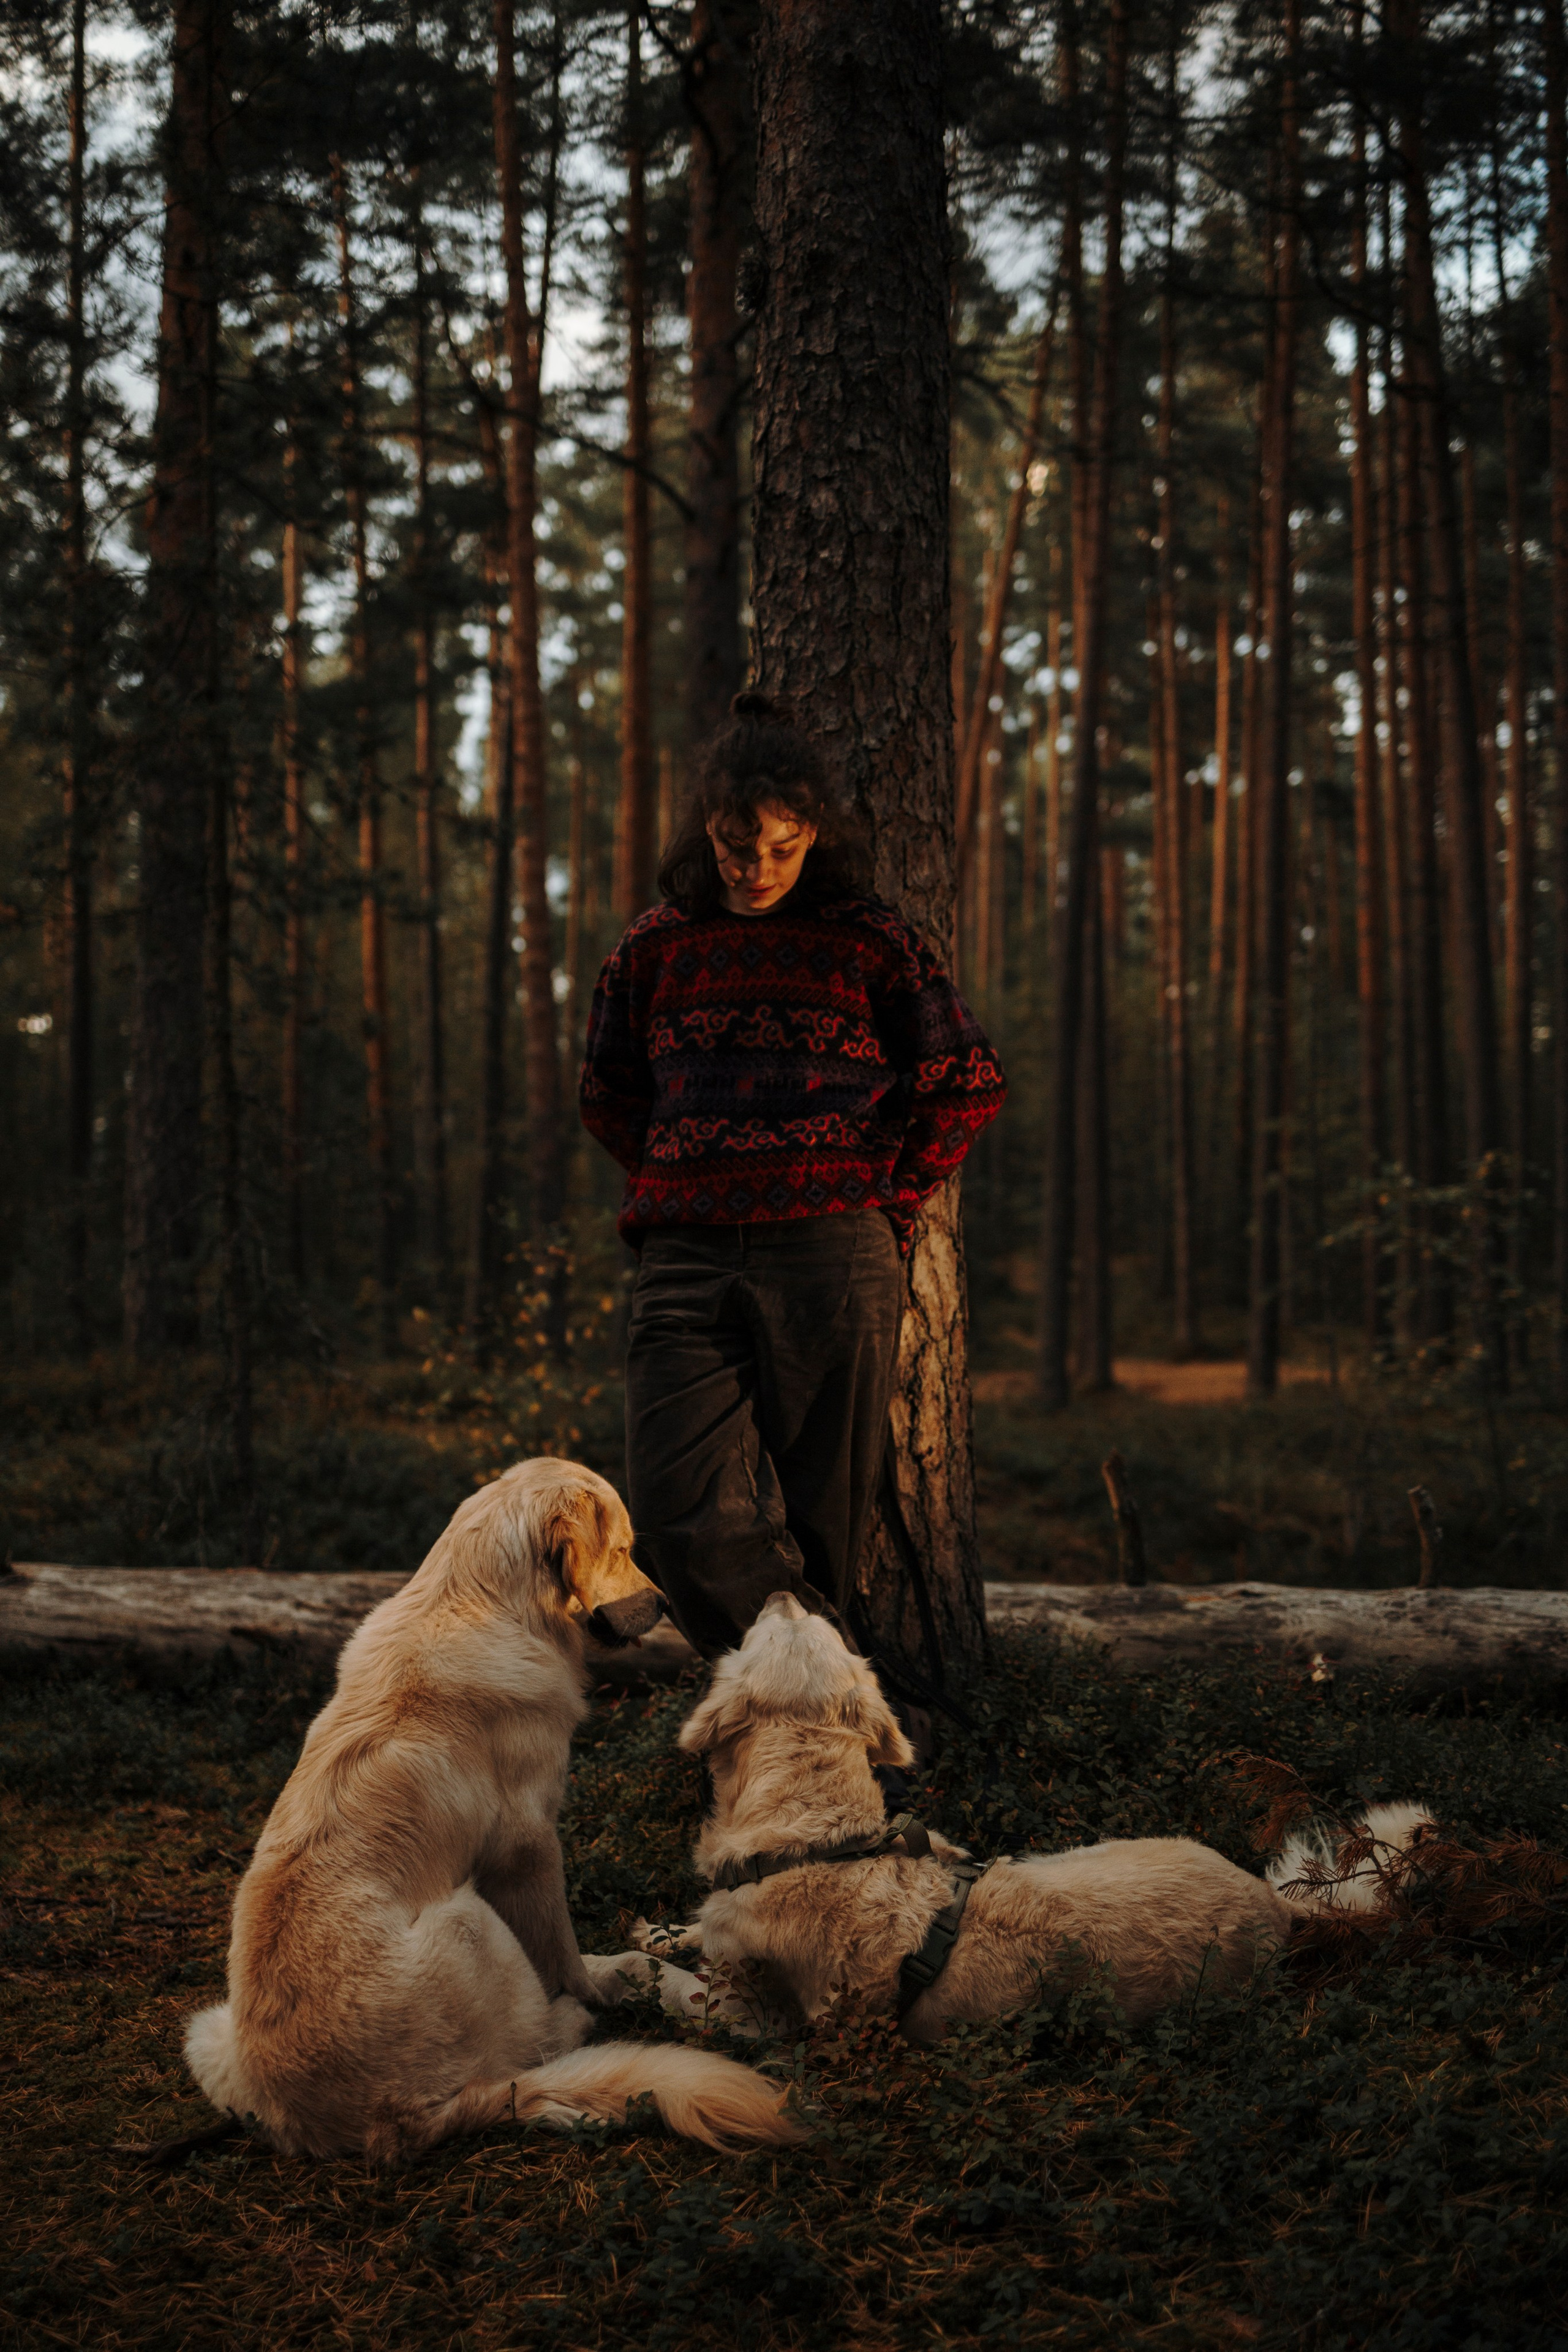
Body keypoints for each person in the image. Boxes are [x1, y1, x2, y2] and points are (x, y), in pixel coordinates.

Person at [579, 692, 1005, 1668]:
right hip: (685, 1260)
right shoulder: (653, 947)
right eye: (738, 846)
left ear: (813, 830)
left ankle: (806, 1750)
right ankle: (838, 1699)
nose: (758, 867)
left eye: (783, 844)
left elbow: (967, 1081)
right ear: (708, 830)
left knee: (822, 1527)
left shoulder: (870, 940)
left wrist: (887, 1198)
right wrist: (691, 1168)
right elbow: (605, 1092)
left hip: (832, 1254)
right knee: (681, 1516)